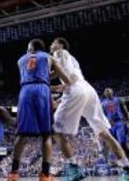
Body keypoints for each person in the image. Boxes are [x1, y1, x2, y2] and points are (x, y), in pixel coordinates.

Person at [50, 37, 129, 181]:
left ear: (60, 44)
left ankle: (74, 169)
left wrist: (38, 79)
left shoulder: (59, 52)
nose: (50, 46)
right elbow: (67, 82)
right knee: (104, 133)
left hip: (76, 90)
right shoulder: (72, 59)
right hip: (88, 90)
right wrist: (50, 88)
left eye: (53, 44)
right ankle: (126, 168)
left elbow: (57, 74)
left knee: (55, 130)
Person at [8, 39, 72, 181]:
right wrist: (63, 84)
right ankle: (45, 174)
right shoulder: (49, 57)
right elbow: (65, 78)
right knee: (46, 135)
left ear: (30, 48)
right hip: (42, 91)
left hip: (25, 91)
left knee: (22, 134)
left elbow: (36, 71)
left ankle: (13, 173)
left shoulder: (20, 60)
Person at [102, 88, 129, 157]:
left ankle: (126, 156)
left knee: (121, 141)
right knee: (114, 142)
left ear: (112, 92)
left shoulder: (118, 100)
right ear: (105, 94)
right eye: (106, 91)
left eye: (109, 90)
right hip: (110, 124)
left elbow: (124, 108)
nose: (108, 92)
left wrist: (127, 117)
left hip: (119, 121)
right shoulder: (103, 103)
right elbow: (103, 114)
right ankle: (120, 158)